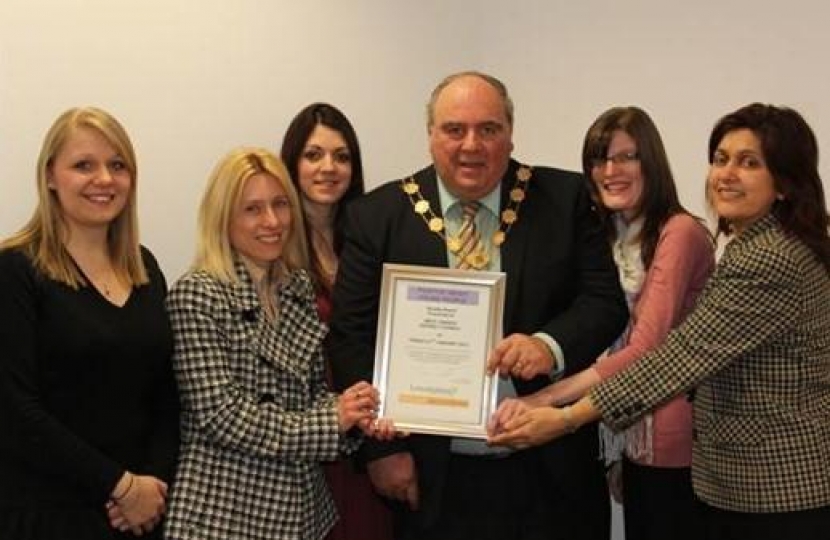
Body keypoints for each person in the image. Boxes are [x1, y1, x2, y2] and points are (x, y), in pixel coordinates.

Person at [489, 103, 830, 539]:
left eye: (749, 163)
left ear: (784, 182)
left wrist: (564, 416)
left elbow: (676, 357)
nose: (726, 174)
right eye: (720, 159)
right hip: (747, 483)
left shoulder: (766, 258)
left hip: (775, 487)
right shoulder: (758, 244)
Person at [328, 71, 628, 540]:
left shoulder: (564, 198)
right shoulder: (376, 216)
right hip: (430, 477)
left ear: (510, 135)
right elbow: (350, 337)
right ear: (430, 136)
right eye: (454, 129)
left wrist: (548, 345)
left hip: (549, 471)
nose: (472, 145)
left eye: (488, 129)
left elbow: (605, 303)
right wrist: (378, 451)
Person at [490, 106, 715, 540]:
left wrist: (545, 400)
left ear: (652, 161)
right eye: (599, 159)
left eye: (627, 157)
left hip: (669, 437)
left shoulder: (679, 233)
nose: (610, 170)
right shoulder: (607, 236)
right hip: (622, 431)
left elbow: (644, 349)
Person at [163, 147, 380, 540]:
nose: (272, 221)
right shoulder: (197, 295)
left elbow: (312, 395)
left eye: (280, 204)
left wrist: (356, 412)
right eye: (252, 209)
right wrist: (333, 420)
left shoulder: (296, 288)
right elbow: (223, 417)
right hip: (223, 517)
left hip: (302, 516)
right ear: (223, 216)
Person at [0, 107, 178, 539]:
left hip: (139, 516)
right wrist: (119, 485)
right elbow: (15, 409)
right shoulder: (16, 270)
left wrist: (149, 486)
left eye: (117, 165)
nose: (105, 179)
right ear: (49, 176)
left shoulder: (145, 267)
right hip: (48, 512)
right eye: (84, 165)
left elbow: (166, 392)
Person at [281, 103, 394, 540]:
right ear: (291, 162)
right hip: (305, 444)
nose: (328, 167)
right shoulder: (271, 247)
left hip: (369, 436)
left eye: (341, 156)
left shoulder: (373, 240)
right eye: (313, 155)